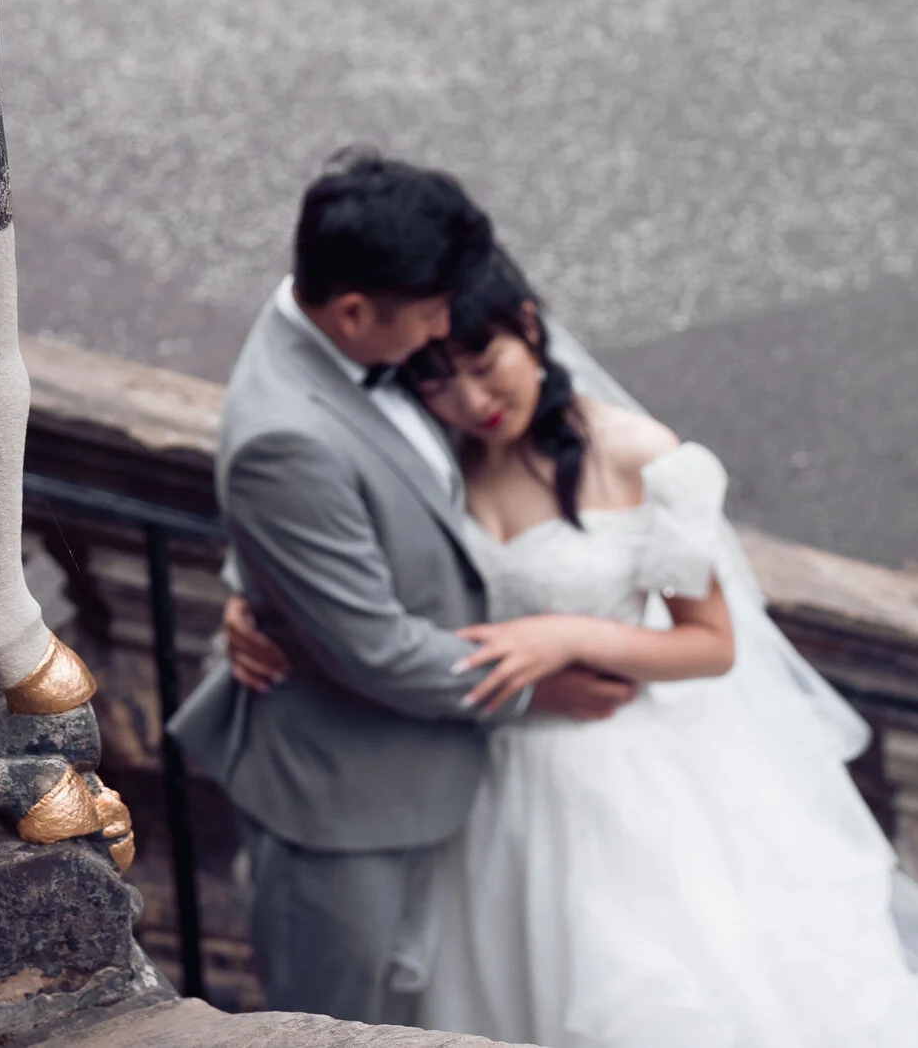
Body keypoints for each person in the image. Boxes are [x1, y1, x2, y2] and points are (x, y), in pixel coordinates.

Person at [217, 246, 918, 1047]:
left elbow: (711, 644)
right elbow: (350, 562)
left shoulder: (640, 455)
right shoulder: (428, 458)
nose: (472, 399)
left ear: (530, 327)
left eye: (486, 360)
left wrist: (571, 634)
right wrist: (260, 607)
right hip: (480, 773)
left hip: (626, 777)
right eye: (438, 378)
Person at [166, 153, 638, 1026]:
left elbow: (345, 532)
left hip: (438, 774)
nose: (441, 333)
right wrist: (535, 685)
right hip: (346, 810)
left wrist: (259, 587)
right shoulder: (287, 438)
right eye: (428, 316)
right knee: (335, 1026)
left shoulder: (348, 327)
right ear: (353, 311)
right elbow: (376, 648)